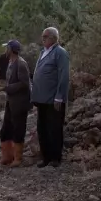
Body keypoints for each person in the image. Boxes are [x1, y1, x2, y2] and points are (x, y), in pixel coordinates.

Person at [32, 27, 69, 168]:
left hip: (54, 99)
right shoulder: (43, 52)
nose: (43, 39)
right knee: (42, 128)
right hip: (41, 99)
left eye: (45, 36)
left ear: (54, 38)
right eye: (42, 36)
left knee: (54, 128)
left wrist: (59, 96)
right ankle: (46, 157)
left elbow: (64, 75)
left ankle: (55, 158)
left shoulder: (60, 53)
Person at [0, 40, 31, 167]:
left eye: (7, 48)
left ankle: (18, 158)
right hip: (11, 102)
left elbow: (25, 84)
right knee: (6, 130)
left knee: (18, 129)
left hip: (19, 103)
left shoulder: (21, 64)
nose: (5, 50)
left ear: (11, 49)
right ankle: (6, 157)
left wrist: (7, 87)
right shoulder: (11, 62)